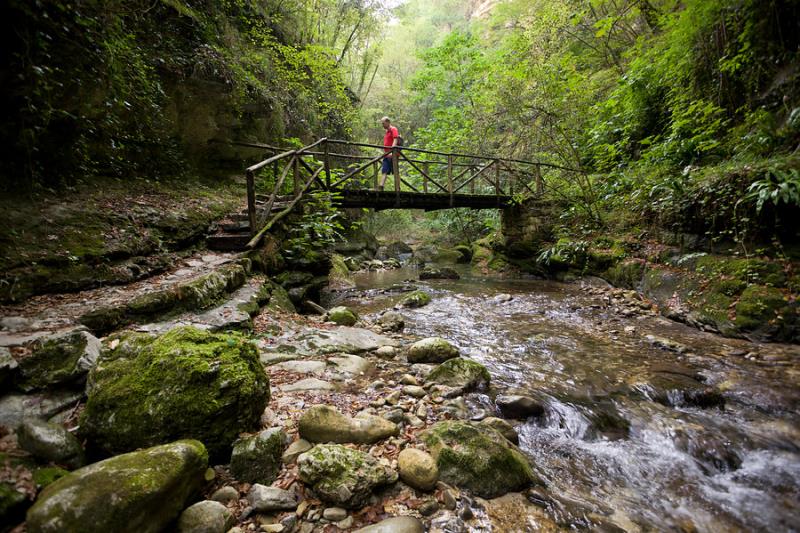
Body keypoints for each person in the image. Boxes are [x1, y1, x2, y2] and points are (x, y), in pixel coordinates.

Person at [378, 116, 399, 190]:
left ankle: (397, 189)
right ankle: (381, 186)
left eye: (383, 123)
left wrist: (392, 152)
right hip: (387, 155)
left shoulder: (393, 129)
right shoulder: (387, 132)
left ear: (388, 122)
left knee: (395, 172)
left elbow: (395, 139)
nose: (382, 125)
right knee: (385, 170)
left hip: (392, 155)